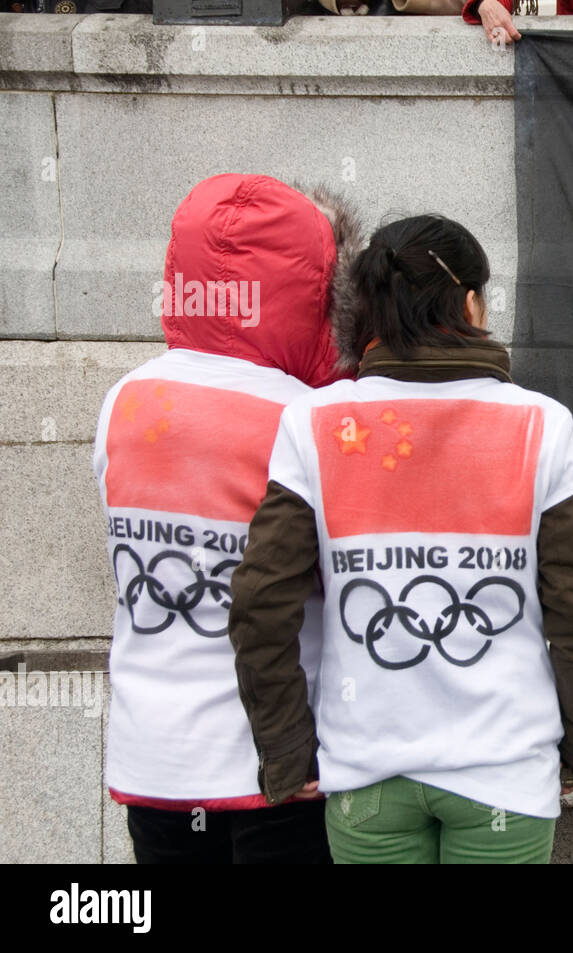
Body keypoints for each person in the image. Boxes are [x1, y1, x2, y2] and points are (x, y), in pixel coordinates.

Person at [226, 213, 573, 864]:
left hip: (367, 773)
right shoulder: (543, 427)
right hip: (504, 774)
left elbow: (260, 602)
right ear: (468, 303)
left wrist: (287, 753)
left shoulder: (312, 425)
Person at [93, 173, 363, 863]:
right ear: (313, 287)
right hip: (278, 767)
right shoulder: (304, 416)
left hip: (152, 760)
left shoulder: (124, 399)